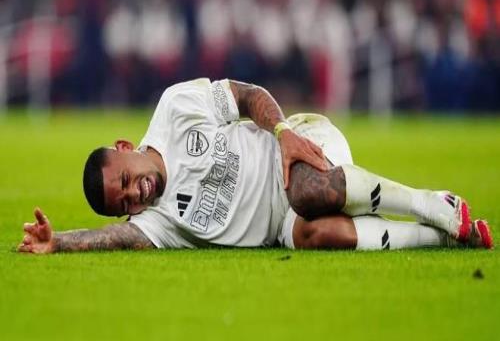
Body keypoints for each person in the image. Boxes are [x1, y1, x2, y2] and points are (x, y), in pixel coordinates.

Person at [18, 79, 493, 254]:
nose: (134, 194)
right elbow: (113, 239)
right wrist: (58, 243)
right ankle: (443, 237)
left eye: (124, 179)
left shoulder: (174, 107)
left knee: (306, 193)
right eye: (123, 203)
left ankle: (427, 203)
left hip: (299, 151)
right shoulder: (156, 223)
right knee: (317, 233)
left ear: (125, 146)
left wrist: (284, 135)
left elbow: (249, 96)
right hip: (284, 225)